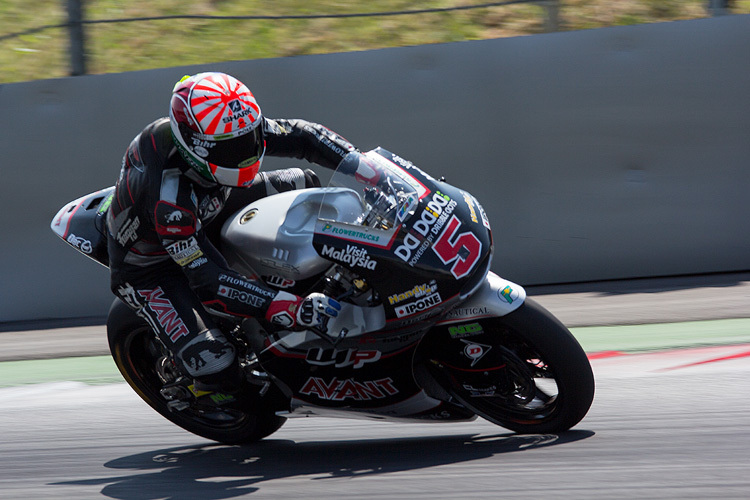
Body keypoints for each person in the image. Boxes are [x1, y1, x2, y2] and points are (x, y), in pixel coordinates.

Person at [107, 72, 351, 392]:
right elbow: (210, 280)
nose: (244, 154)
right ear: (194, 146)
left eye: (247, 139)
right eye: (230, 149)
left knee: (304, 183)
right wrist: (290, 308)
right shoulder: (170, 201)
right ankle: (208, 392)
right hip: (152, 266)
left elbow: (304, 135)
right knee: (214, 364)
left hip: (210, 201)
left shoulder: (223, 126)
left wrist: (362, 165)